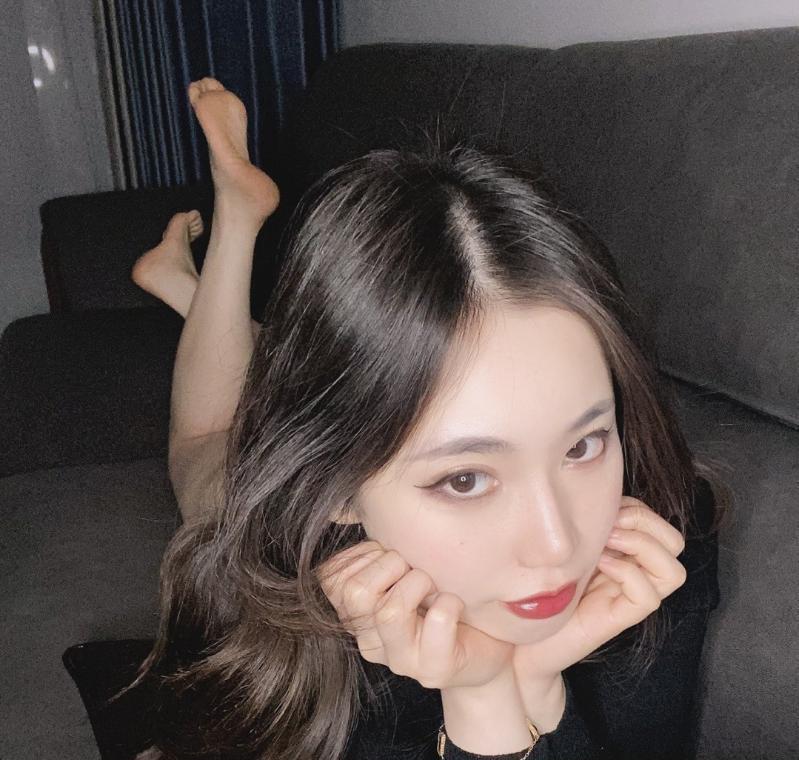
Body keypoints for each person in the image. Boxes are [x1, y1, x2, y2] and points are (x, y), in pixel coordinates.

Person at [124, 77, 728, 760]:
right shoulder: (301, 595)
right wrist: (496, 693)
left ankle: (199, 287)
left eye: (583, 444)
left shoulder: (661, 534)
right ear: (338, 490)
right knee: (206, 447)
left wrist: (512, 689)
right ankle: (234, 223)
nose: (558, 545)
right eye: (465, 479)